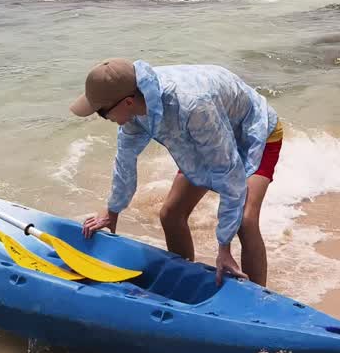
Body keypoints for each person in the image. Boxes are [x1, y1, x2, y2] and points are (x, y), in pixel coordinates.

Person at [72, 59, 283, 286]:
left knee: (245, 220)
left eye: (102, 113)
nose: (103, 118)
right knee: (171, 214)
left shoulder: (192, 105)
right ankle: (185, 281)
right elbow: (125, 160)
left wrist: (224, 248)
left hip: (254, 131)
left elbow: (228, 172)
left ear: (128, 102)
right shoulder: (136, 109)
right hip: (206, 134)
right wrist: (111, 211)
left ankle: (258, 300)